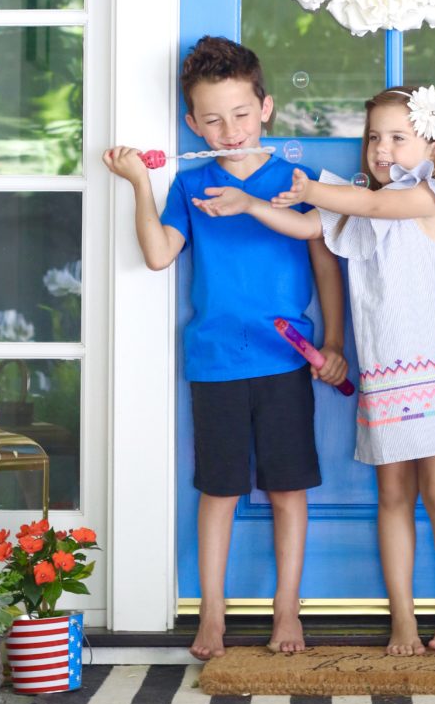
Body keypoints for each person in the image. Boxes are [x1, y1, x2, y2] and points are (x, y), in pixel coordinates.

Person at [192, 84, 435, 656]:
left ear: (433, 140)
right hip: (386, 377)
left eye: (398, 138)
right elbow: (311, 230)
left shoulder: (431, 194)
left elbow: (376, 205)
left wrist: (313, 188)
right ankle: (401, 616)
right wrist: (253, 205)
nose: (382, 149)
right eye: (375, 138)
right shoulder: (358, 201)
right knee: (394, 497)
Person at [102, 36, 347, 660]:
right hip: (215, 363)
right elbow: (159, 255)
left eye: (241, 114)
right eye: (212, 120)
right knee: (220, 490)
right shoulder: (188, 182)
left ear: (265, 108)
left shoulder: (298, 178)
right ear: (192, 123)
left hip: (287, 360)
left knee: (289, 490)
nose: (229, 130)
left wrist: (335, 341)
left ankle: (285, 612)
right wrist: (138, 184)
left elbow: (325, 261)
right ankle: (213, 612)